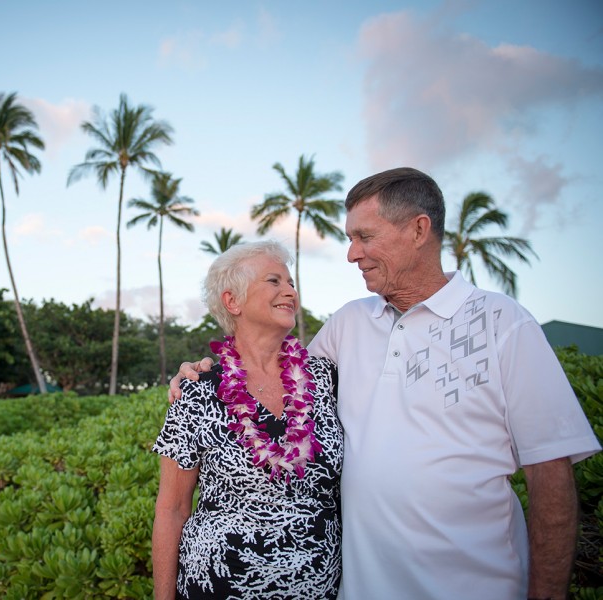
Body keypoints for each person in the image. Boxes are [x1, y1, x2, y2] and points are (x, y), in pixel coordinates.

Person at [169, 167, 600, 600]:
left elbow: (551, 476)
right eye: (350, 239)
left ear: (418, 230)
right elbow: (267, 372)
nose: (352, 254)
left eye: (365, 236)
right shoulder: (349, 324)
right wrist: (203, 370)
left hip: (477, 586)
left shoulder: (504, 324)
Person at [152, 241, 343, 599]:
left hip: (317, 589)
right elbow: (172, 508)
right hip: (215, 586)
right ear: (232, 301)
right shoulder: (196, 390)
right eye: (274, 281)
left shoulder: (327, 379)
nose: (289, 291)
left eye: (291, 282)